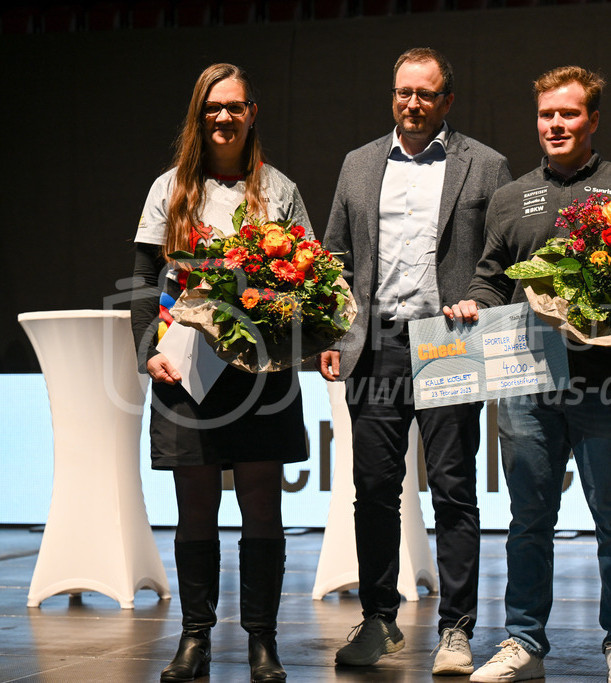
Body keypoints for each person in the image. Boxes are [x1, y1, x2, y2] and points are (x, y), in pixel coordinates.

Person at [445, 66, 611, 683]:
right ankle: (522, 642)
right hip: (526, 380)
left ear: (593, 119)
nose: (556, 125)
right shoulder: (511, 197)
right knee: (528, 518)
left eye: (569, 114)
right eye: (547, 115)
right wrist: (474, 303)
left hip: (609, 382)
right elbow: (489, 276)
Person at [316, 47, 511, 675]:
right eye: (404, 92)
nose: (413, 103)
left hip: (450, 342)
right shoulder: (359, 163)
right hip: (374, 345)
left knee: (454, 490)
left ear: (446, 101)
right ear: (392, 94)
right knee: (372, 491)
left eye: (426, 94)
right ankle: (378, 621)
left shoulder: (485, 165)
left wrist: (478, 300)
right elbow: (335, 259)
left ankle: (456, 630)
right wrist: (332, 328)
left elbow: (504, 260)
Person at [130, 63, 313, 683]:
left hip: (261, 368)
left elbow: (310, 276)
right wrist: (145, 348)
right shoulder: (169, 189)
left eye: (234, 106)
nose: (224, 117)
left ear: (252, 113)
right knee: (195, 509)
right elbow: (139, 282)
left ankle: (263, 642)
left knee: (263, 506)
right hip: (187, 369)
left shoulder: (278, 189)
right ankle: (194, 639)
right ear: (198, 114)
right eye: (213, 107)